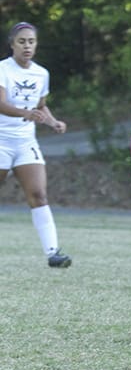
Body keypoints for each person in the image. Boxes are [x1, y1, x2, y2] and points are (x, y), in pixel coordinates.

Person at [0, 22, 71, 268]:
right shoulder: (3, 70)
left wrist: (53, 122)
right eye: (22, 41)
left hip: (25, 141)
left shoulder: (41, 73)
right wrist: (25, 112)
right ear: (12, 45)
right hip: (1, 140)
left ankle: (53, 253)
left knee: (39, 194)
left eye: (31, 41)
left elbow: (40, 107)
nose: (27, 46)